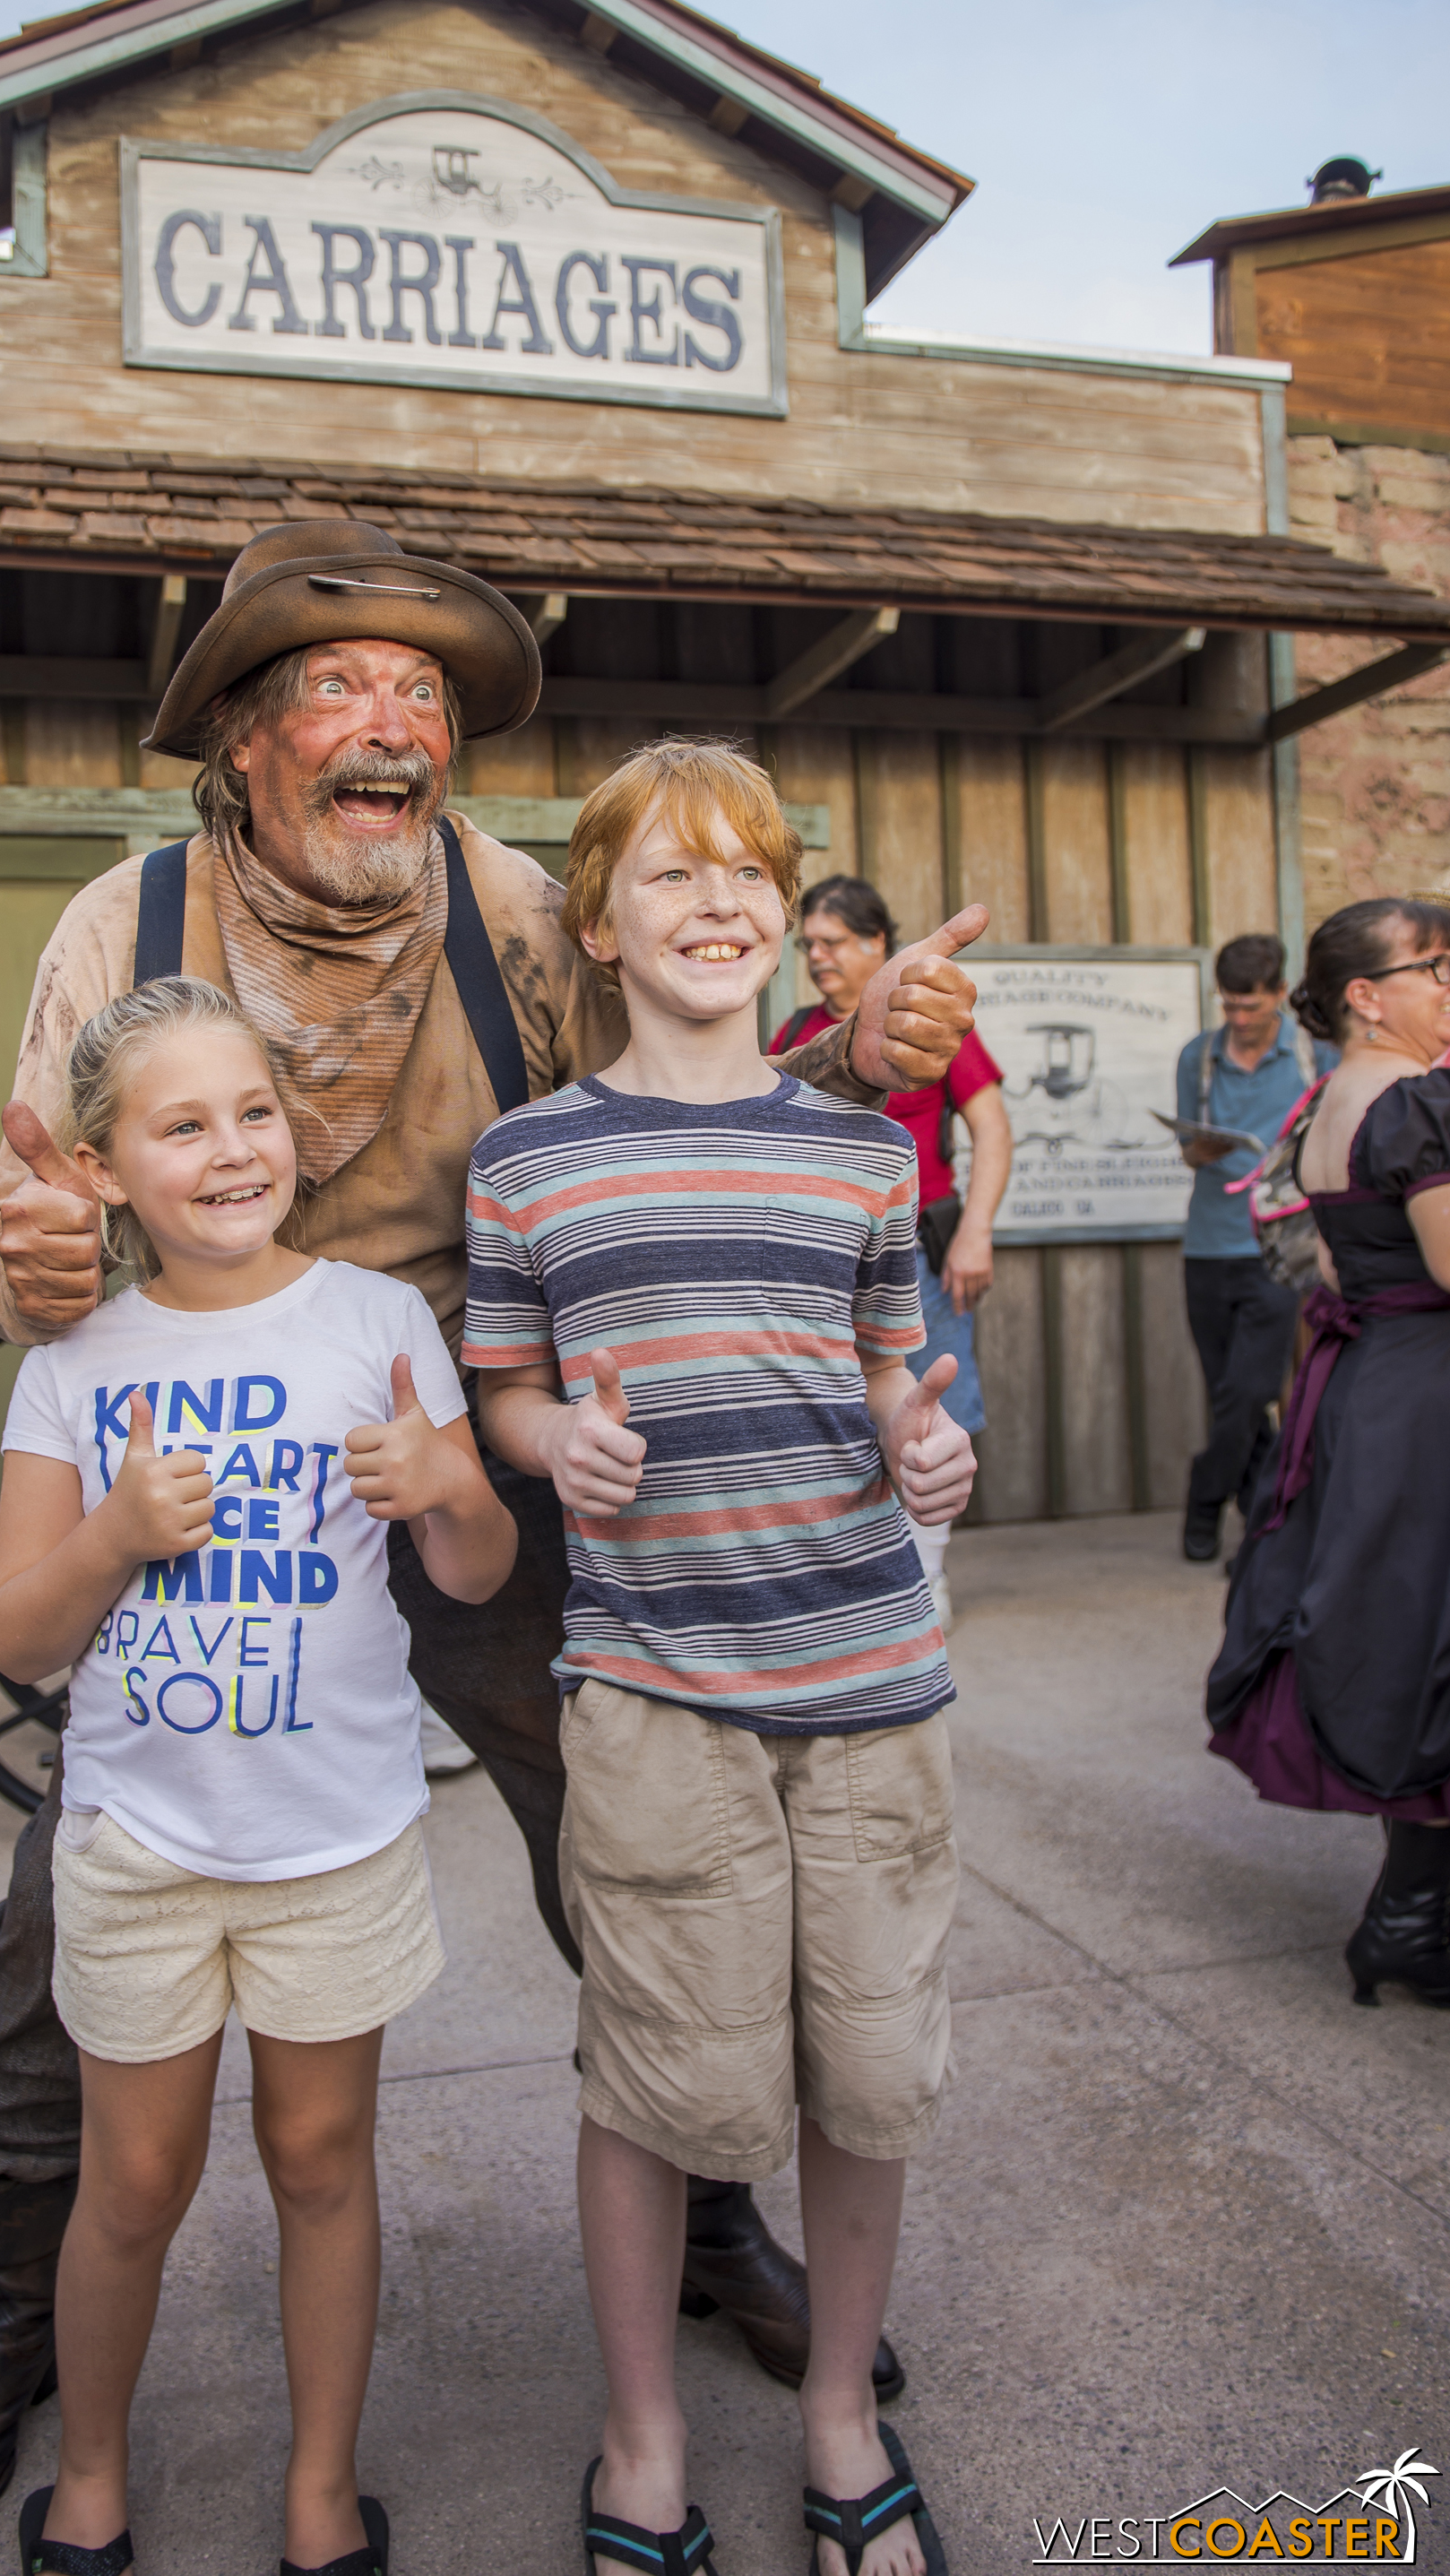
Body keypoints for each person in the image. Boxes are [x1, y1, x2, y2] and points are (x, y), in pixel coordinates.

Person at [0, 515, 988, 2562]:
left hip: (467, 1431)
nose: (398, 729)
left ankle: (710, 2207)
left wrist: (849, 1055)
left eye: (428, 699)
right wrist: (28, 1261)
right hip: (214, 1456)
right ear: (237, 738)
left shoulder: (503, 903)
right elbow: (29, 1212)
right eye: (340, 690)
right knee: (66, 1904)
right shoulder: (122, 920)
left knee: (642, 1828)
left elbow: (683, 1082)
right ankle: (12, 2300)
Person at [467, 746, 974, 2576]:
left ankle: (841, 2409)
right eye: (670, 876)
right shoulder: (528, 1156)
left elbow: (887, 1372)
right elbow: (509, 1383)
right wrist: (550, 1446)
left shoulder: (861, 1145)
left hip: (871, 1678)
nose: (719, 903)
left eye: (750, 871)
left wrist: (929, 1446)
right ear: (596, 924)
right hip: (657, 1681)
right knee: (657, 2073)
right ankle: (642, 2435)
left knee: (870, 2063)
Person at [0, 975, 514, 2575]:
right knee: (133, 2181)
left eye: (255, 1111)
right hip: (141, 1842)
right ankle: (90, 2472)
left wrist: (450, 1489)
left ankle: (317, 2486)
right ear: (101, 1169)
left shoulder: (376, 1323)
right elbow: (19, 1635)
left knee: (320, 2159)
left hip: (335, 1836)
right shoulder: (75, 1360)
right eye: (182, 1123)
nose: (232, 1150)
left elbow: (477, 1573)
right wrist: (117, 1532)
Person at [1206, 898, 1450, 2009]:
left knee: (1413, 1632)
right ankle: (1409, 1920)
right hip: (1426, 1391)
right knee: (1427, 1637)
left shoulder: (1329, 1104)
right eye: (1437, 966)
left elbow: (1342, 1271)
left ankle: (1409, 1916)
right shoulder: (1417, 1100)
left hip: (1369, 1386)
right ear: (1368, 992)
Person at [772, 875, 1010, 1631]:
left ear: (878, 944)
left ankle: (927, 1575)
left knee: (933, 1391)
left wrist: (975, 1229)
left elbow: (994, 1130)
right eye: (808, 944)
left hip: (919, 1246)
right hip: (821, 1255)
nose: (818, 957)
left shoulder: (926, 1019)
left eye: (834, 942)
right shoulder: (793, 1033)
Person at [1174, 932, 1334, 1565]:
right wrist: (1201, 1148)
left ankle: (1206, 1498)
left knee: (1252, 1389)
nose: (1239, 1019)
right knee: (1227, 1395)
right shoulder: (1199, 1057)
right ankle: (1268, 1524)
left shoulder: (1312, 1054)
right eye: (1230, 1005)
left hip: (1280, 1244)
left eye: (1252, 1006)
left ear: (1278, 995)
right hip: (1208, 1245)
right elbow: (1187, 1148)